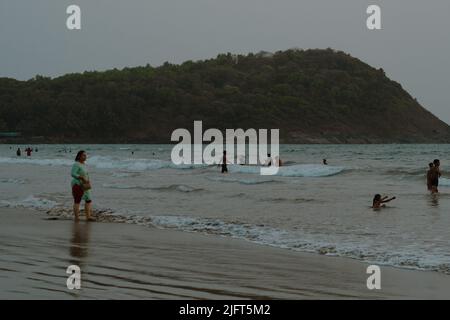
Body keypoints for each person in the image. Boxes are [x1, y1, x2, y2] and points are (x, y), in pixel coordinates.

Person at [71, 150, 94, 221]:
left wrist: (88, 180)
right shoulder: (76, 164)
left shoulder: (84, 164)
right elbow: (73, 173)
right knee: (77, 201)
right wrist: (81, 177)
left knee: (88, 200)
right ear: (79, 156)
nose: (85, 156)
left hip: (85, 184)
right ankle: (76, 217)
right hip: (77, 184)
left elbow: (86, 174)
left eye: (85, 155)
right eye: (83, 155)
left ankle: (88, 217)